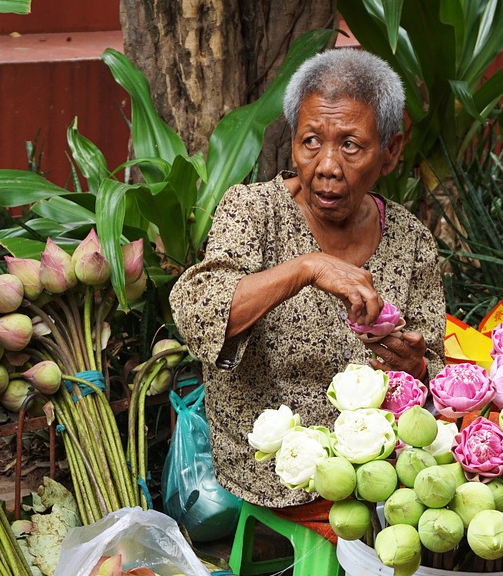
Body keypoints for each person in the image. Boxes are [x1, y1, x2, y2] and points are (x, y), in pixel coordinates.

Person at [170, 49, 444, 528]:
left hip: (378, 459)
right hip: (274, 459)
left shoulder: (410, 239)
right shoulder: (254, 211)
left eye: (351, 146)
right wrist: (307, 267)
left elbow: (431, 368)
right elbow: (202, 312)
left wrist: (414, 363)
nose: (327, 166)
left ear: (392, 151)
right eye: (311, 141)